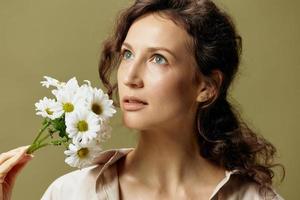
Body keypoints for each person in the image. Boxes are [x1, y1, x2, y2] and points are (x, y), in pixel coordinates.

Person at [0, 0, 285, 199]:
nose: (130, 77)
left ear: (207, 87)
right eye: (127, 54)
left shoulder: (254, 198)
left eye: (158, 59)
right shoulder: (71, 193)